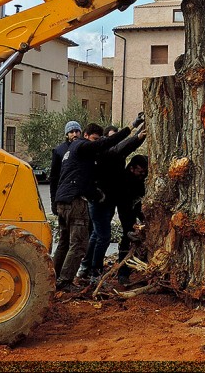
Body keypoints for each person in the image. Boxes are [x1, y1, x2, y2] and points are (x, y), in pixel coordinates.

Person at [53, 115, 144, 291]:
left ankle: (55, 276)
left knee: (65, 242)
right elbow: (109, 146)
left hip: (63, 200)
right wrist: (131, 127)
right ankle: (65, 281)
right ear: (85, 136)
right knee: (79, 244)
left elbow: (81, 177)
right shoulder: (82, 147)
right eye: (96, 139)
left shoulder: (71, 152)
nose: (99, 142)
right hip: (74, 201)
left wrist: (94, 194)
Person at [79, 118, 147, 280]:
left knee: (99, 234)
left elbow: (123, 148)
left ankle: (88, 267)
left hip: (109, 199)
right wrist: (138, 135)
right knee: (102, 236)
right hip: (101, 200)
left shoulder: (113, 156)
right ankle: (93, 270)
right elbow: (122, 147)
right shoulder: (104, 152)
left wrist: (138, 133)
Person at [116, 154, 149, 285]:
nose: (143, 175)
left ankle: (145, 270)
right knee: (127, 236)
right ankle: (123, 273)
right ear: (132, 169)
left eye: (145, 172)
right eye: (140, 172)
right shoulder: (124, 181)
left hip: (141, 206)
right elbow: (124, 208)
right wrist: (130, 226)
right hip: (126, 207)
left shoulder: (144, 178)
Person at [49, 120, 83, 215]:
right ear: (67, 134)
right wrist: (53, 200)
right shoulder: (59, 150)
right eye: (71, 132)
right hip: (64, 194)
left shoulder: (84, 147)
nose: (75, 134)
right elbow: (54, 177)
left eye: (77, 131)